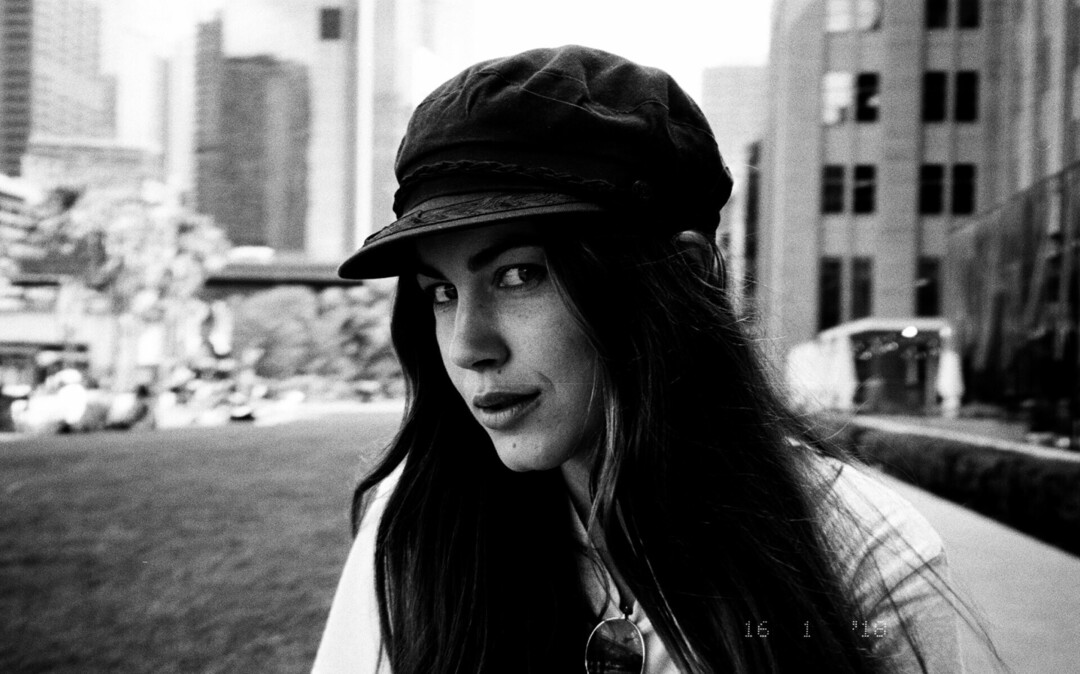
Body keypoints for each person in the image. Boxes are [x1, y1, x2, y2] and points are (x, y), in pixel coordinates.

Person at [313, 45, 981, 674]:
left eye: (519, 275)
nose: (467, 346)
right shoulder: (418, 533)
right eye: (442, 292)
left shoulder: (862, 555)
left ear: (685, 273)